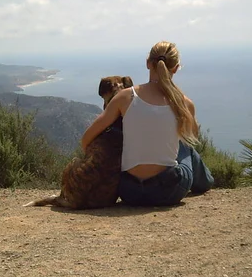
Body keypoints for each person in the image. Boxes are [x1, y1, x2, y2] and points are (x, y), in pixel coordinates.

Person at [81, 41, 214, 206]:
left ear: (147, 63)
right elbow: (193, 137)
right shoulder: (184, 103)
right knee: (186, 148)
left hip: (130, 191)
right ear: (176, 68)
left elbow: (86, 138)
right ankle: (206, 182)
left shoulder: (124, 97)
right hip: (168, 191)